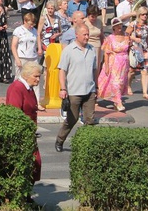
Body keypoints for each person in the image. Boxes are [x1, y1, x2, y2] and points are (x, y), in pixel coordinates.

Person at [55, 24, 98, 152]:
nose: (87, 37)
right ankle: (60, 140)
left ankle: (86, 144)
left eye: (88, 34)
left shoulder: (92, 49)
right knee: (71, 119)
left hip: (89, 90)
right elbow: (62, 71)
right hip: (74, 91)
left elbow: (95, 69)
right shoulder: (68, 50)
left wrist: (97, 87)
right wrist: (63, 89)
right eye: (84, 34)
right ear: (77, 35)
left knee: (89, 120)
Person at [5, 61, 43, 187]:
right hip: (22, 135)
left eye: (39, 76)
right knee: (30, 164)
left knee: (34, 164)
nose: (38, 79)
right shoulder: (17, 88)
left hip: (30, 134)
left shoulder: (29, 88)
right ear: (26, 75)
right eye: (36, 76)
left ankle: (27, 195)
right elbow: (14, 113)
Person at [96, 18, 132, 112]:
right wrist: (107, 66)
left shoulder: (126, 36)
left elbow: (128, 49)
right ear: (113, 28)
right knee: (115, 82)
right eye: (116, 26)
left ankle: (116, 102)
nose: (119, 27)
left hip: (124, 63)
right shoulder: (110, 38)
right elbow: (106, 53)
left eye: (120, 25)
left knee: (121, 83)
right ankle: (119, 102)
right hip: (114, 63)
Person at [127, 7, 148, 100]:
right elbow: (126, 35)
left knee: (145, 71)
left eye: (146, 14)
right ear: (139, 15)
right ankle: (128, 85)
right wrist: (133, 38)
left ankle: (145, 92)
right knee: (132, 71)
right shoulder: (133, 24)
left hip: (144, 49)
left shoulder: (147, 26)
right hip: (135, 49)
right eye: (143, 14)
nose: (145, 16)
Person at [11, 12, 41, 81]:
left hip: (33, 57)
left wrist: (39, 48)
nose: (32, 26)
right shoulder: (18, 30)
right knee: (20, 78)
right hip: (22, 57)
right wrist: (17, 59)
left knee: (34, 78)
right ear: (25, 21)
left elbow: (38, 38)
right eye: (30, 24)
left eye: (33, 24)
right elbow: (13, 46)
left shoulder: (34, 30)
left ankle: (35, 92)